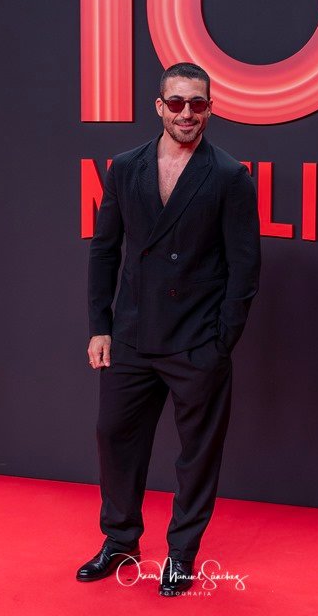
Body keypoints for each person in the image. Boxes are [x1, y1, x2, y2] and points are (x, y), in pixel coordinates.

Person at [76, 62, 261, 596]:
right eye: (176, 102)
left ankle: (182, 554)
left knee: (197, 453)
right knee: (115, 436)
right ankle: (120, 541)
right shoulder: (125, 167)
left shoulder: (228, 175)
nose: (186, 113)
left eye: (197, 104)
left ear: (210, 109)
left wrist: (221, 341)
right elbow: (105, 250)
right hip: (132, 333)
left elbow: (244, 267)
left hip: (196, 339)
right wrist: (100, 326)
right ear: (159, 106)